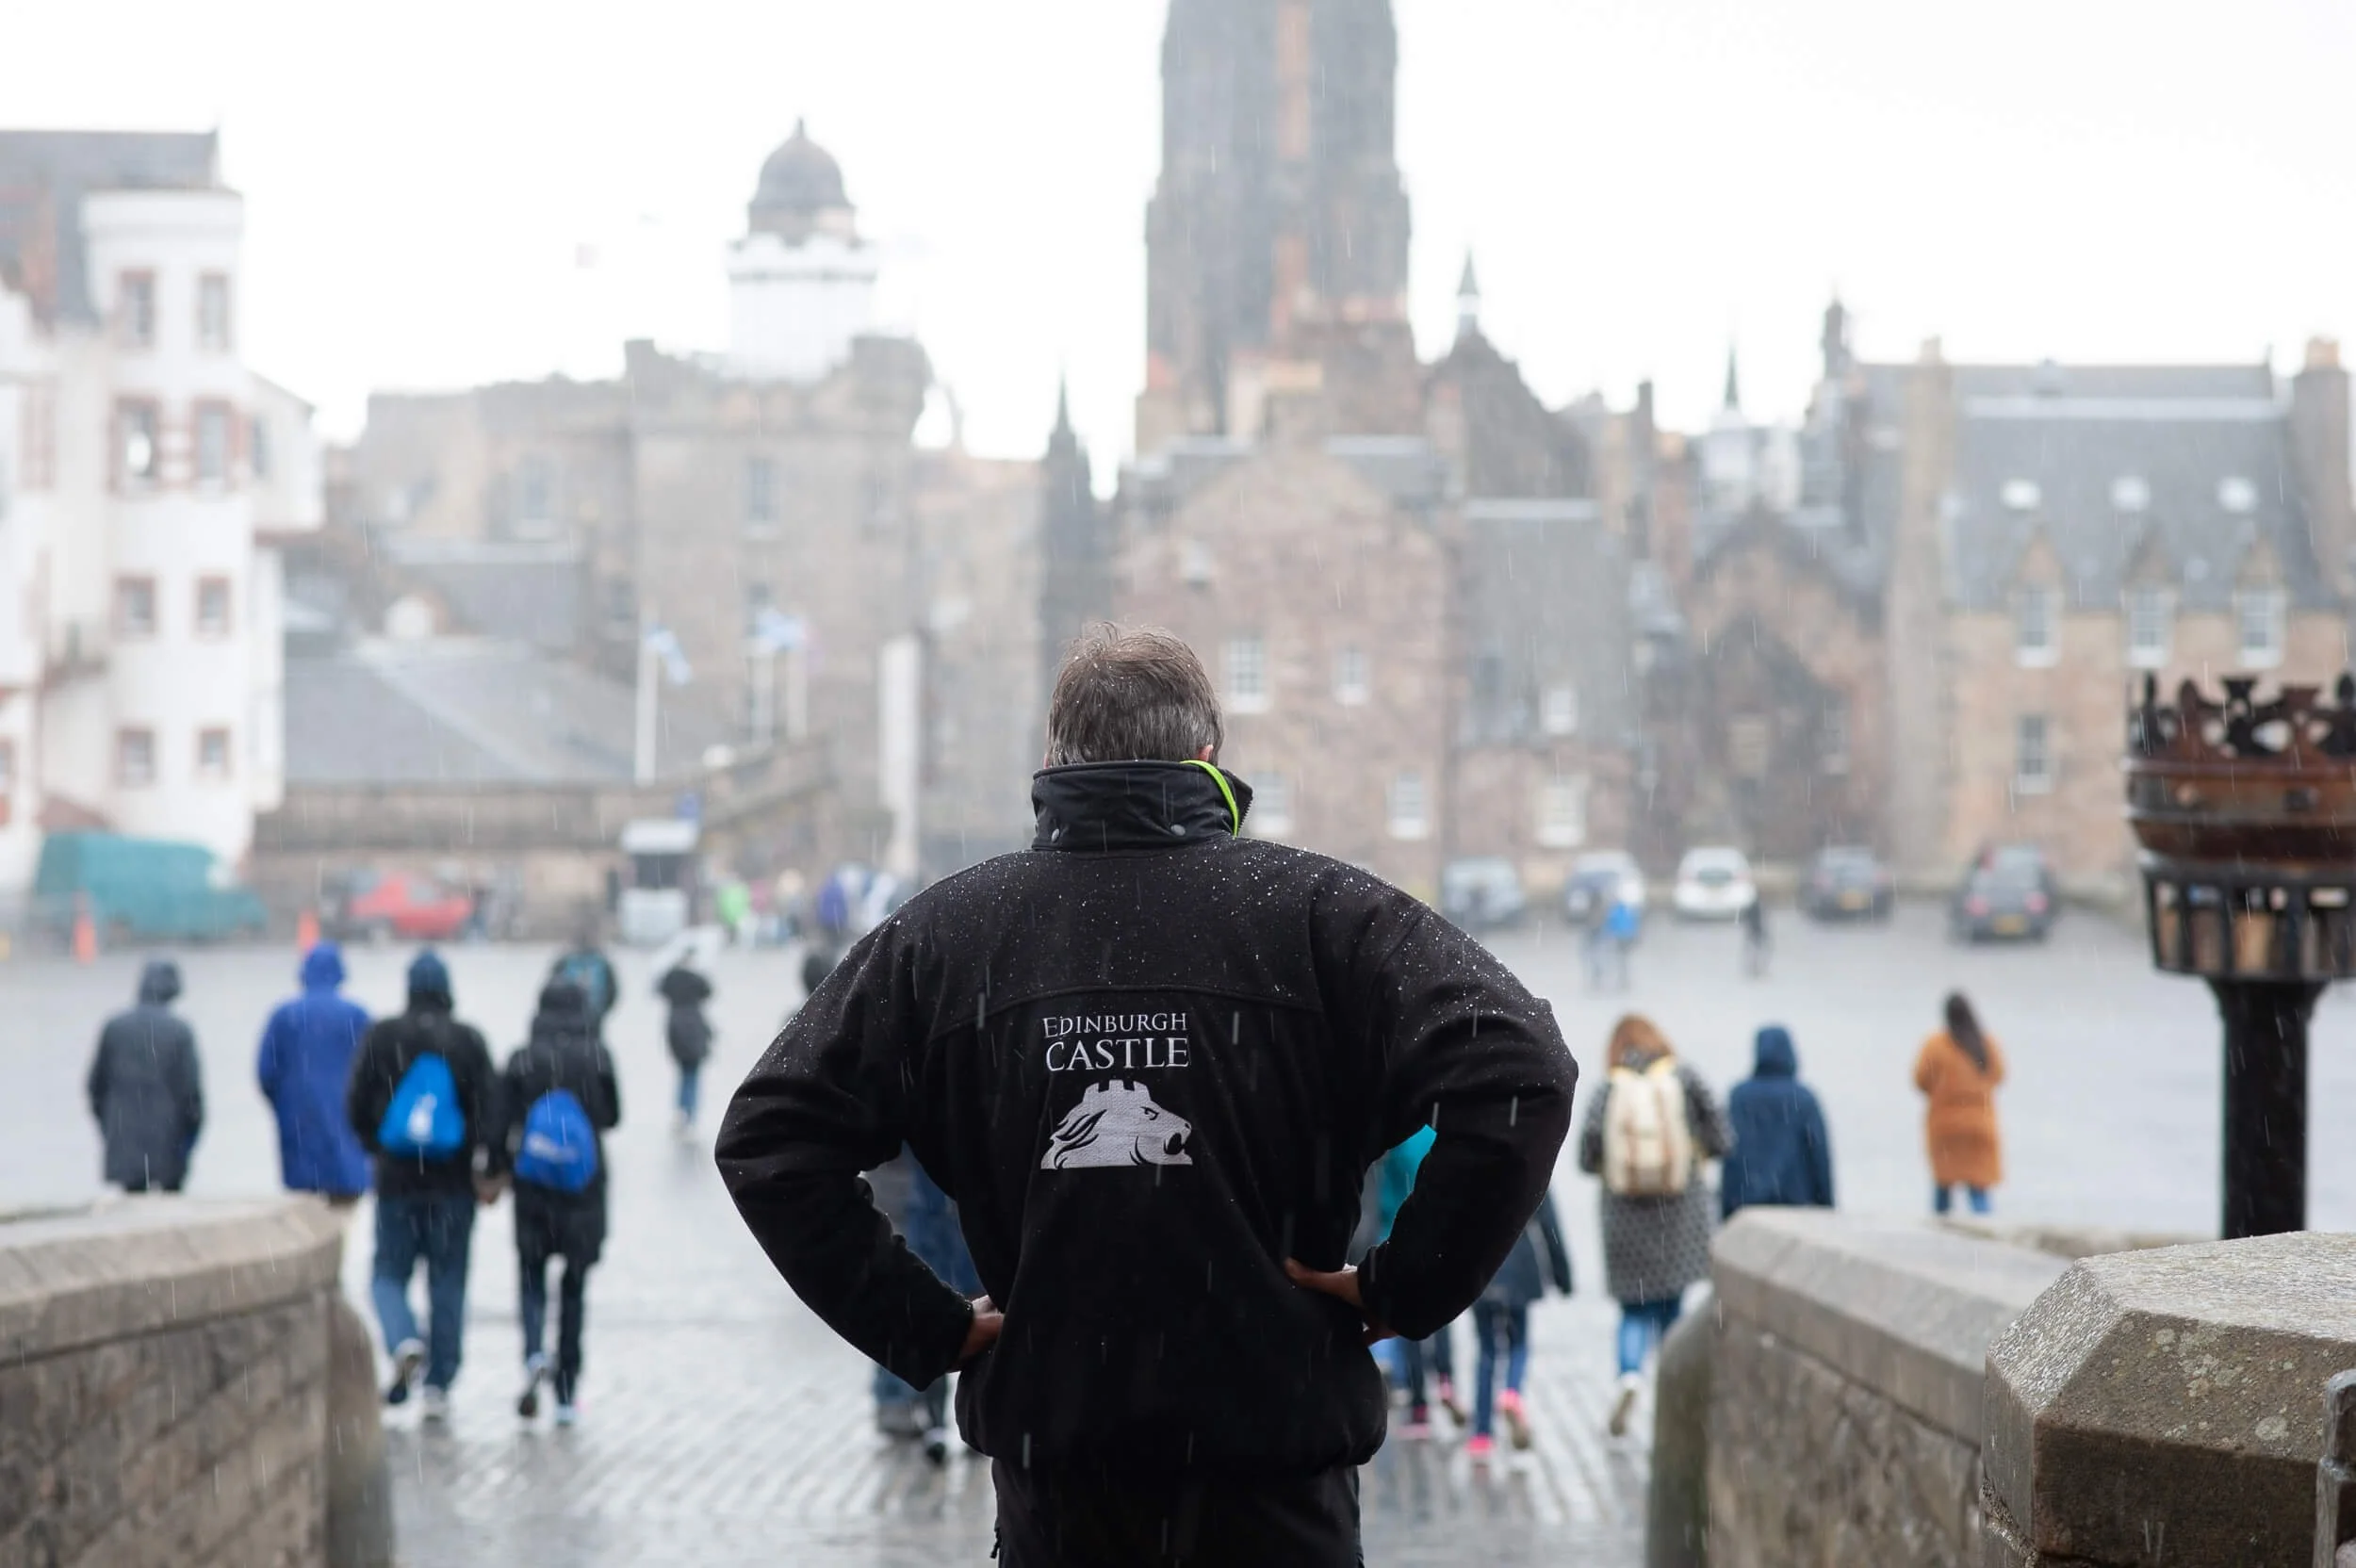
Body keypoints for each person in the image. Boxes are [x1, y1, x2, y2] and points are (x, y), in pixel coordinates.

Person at [718, 624, 1577, 1567]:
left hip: (1065, 1491)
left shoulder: (951, 935)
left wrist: (922, 1324)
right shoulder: (1322, 915)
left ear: (1053, 761)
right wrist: (1407, 1285)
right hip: (1278, 1486)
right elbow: (1522, 1063)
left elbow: (771, 1135)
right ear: (1205, 756)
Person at [347, 951, 502, 1419]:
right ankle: (439, 1382)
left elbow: (356, 1104)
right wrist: (486, 1163)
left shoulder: (383, 1035)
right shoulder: (467, 1040)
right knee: (448, 1278)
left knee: (388, 1273)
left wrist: (379, 1147)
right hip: (452, 1184)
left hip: (396, 1181)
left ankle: (402, 1339)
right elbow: (491, 1111)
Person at [1576, 1013, 1733, 1438]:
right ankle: (1672, 1390)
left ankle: (1629, 1376)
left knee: (1633, 1308)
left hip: (1624, 1217)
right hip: (1680, 1214)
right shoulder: (1683, 1077)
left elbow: (1587, 1156)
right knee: (1671, 1309)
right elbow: (1722, 1138)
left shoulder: (1609, 1088)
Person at [498, 979, 620, 1426]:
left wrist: (493, 1167)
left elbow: (499, 1119)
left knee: (530, 1275)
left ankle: (533, 1354)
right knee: (573, 1287)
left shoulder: (522, 1058)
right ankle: (567, 1389)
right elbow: (612, 1116)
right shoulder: (597, 1056)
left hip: (533, 1187)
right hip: (582, 1190)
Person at [869, 1147, 983, 1462]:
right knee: (907, 1302)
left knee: (970, 1304)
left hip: (947, 1204)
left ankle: (972, 1411)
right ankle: (901, 1401)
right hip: (910, 1203)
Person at [257, 942, 373, 1204]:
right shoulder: (356, 1016)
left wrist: (285, 1104)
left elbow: (266, 1073)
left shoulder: (284, 1016)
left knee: (304, 1204)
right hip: (347, 1126)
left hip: (300, 1122)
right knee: (344, 1200)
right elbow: (376, 1075)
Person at [1464, 1187, 1573, 1459]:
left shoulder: (1469, 1158)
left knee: (1487, 1351)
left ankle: (1481, 1434)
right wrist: (1563, 1276)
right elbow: (1549, 1225)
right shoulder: (1530, 1157)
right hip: (1519, 1265)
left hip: (1478, 1268)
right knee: (1519, 1343)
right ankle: (1512, 1392)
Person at [87, 958, 205, 1194]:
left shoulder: (114, 1027)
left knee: (132, 1204)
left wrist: (111, 1128)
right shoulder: (180, 1031)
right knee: (171, 1210)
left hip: (124, 1142)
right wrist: (188, 1140)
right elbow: (191, 1094)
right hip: (168, 1143)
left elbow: (95, 1087)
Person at [1375, 1125, 1458, 1436]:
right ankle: (1446, 1379)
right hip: (1440, 1240)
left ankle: (1419, 1404)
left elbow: (1385, 1204)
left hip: (1399, 1241)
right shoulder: (1442, 1134)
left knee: (1407, 1323)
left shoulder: (1398, 1140)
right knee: (1442, 1316)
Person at [1720, 1024, 1835, 1219]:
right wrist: (1827, 1205)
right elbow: (1819, 1156)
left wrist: (1726, 1207)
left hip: (1747, 1204)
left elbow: (1730, 1156)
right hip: (1796, 1203)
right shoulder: (1804, 1098)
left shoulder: (1739, 1096)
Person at [1915, 992, 2006, 1216]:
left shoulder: (1936, 1045)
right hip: (1979, 1126)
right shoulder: (1985, 1044)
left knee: (1943, 1186)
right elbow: (1999, 1075)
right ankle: (1985, 1233)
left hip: (1945, 1127)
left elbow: (1920, 1080)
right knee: (1979, 1188)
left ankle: (1938, 1233)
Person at [657, 947, 715, 1135]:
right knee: (692, 1074)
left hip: (675, 1028)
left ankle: (681, 1109)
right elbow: (709, 990)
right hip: (693, 1027)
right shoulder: (695, 980)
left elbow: (659, 989)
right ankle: (689, 1111)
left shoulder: (671, 979)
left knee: (683, 1072)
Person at [548, 922, 619, 1037]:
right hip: (589, 1016)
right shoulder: (600, 962)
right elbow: (612, 991)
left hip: (578, 1018)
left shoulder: (566, 961)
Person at [1739, 892, 1771, 978]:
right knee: (1757, 948)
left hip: (1752, 930)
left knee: (1753, 948)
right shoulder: (1759, 907)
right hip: (1758, 929)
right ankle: (1756, 965)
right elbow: (1763, 919)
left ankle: (1754, 965)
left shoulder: (1750, 908)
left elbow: (1744, 918)